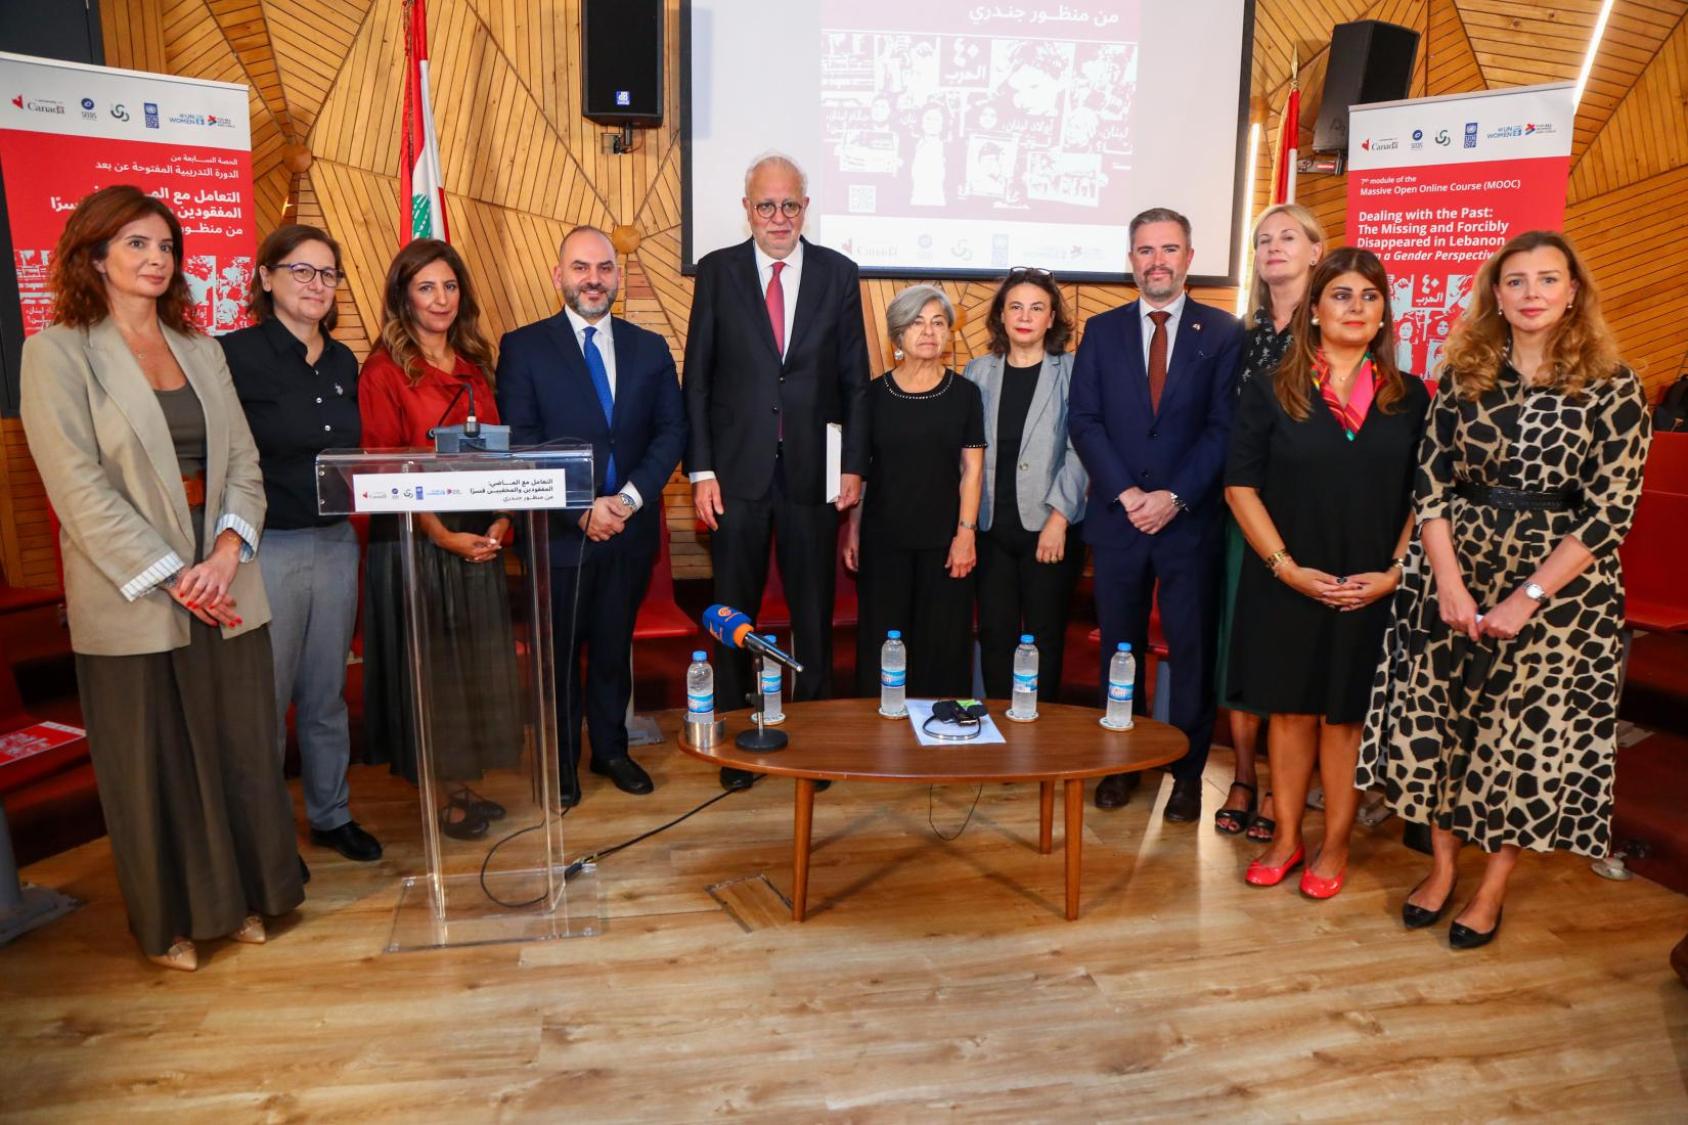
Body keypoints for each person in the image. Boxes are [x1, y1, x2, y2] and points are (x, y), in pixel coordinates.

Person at [20, 185, 302, 971]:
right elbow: (75, 486)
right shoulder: (58, 351)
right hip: (134, 590)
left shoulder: (201, 347)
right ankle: (170, 920)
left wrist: (222, 556)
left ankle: (250, 897)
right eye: (137, 244)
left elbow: (242, 461)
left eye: (166, 246)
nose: (156, 259)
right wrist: (174, 573)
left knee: (238, 745)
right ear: (94, 254)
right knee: (153, 763)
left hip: (225, 577)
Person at [1359, 231, 1652, 948]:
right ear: (1496, 292)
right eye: (1516, 281)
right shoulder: (1463, 374)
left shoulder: (1613, 385)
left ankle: (1491, 889)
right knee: (1442, 726)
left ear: (1572, 291)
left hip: (1560, 594)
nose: (1531, 294)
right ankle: (1441, 867)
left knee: (1518, 742)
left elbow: (1610, 510)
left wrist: (1527, 598)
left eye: (1547, 280)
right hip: (1452, 569)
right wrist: (1451, 586)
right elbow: (1428, 485)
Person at [1224, 248, 1428, 897]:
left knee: (1345, 718)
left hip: (1368, 587)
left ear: (1382, 316)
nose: (1355, 308)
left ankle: (1334, 846)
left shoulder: (1411, 395)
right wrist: (1286, 568)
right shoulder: (1269, 389)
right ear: (1314, 309)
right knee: (1289, 713)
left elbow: (1427, 497)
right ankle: (1286, 837)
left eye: (1369, 298)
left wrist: (1396, 571)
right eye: (1341, 295)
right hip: (1285, 579)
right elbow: (1239, 487)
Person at [684, 152, 871, 791]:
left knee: (813, 614)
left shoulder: (838, 275)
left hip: (814, 477)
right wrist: (701, 470)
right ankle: (738, 746)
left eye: (790, 204)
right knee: (732, 614)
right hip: (734, 476)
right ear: (747, 209)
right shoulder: (716, 273)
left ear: (805, 207)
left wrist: (853, 468)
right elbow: (698, 381)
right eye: (766, 205)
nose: (779, 216)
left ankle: (813, 741)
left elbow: (855, 383)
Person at [496, 227, 686, 806]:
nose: (593, 279)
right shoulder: (524, 347)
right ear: (559, 277)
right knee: (556, 658)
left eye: (604, 268)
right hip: (558, 534)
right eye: (581, 267)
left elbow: (671, 432)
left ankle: (610, 750)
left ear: (617, 278)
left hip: (627, 532)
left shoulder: (649, 347)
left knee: (611, 649)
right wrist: (580, 509)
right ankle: (559, 765)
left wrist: (625, 501)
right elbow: (522, 442)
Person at [1068, 206, 1245, 820]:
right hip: (1118, 521)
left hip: (1188, 523)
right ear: (1131, 260)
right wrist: (1125, 494)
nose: (1157, 261)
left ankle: (1189, 775)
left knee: (1191, 651)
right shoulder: (1103, 330)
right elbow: (1084, 422)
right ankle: (1122, 765)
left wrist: (1173, 497)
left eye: (1169, 249)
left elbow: (1225, 429)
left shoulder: (1223, 333)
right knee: (1120, 649)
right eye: (1145, 250)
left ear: (1190, 258)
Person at [220, 224, 380, 864]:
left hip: (337, 544)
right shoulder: (231, 356)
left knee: (325, 694)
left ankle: (330, 814)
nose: (317, 285)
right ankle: (258, 835)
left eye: (328, 274)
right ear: (265, 278)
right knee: (266, 699)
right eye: (301, 271)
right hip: (266, 550)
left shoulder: (344, 361)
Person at [359, 239, 522, 837]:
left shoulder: (477, 362)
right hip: (417, 541)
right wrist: (442, 534)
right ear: (403, 294)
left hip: (479, 534)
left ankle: (464, 783)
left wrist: (504, 517)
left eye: (450, 286)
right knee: (435, 671)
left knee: (469, 667)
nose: (441, 298)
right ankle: (444, 794)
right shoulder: (382, 370)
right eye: (426, 287)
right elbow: (382, 467)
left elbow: (502, 449)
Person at [1215, 204, 1325, 839]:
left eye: (1288, 237)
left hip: (1313, 511)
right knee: (1244, 639)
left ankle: (1292, 785)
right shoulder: (1242, 334)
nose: (1273, 247)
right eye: (1262, 240)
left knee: (1296, 649)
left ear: (1316, 251)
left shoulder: (1337, 326)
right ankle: (1245, 774)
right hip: (1244, 508)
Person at [844, 286, 984, 698]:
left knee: (942, 644)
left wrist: (966, 533)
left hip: (945, 542)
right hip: (883, 538)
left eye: (938, 323)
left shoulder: (964, 394)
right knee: (883, 642)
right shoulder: (871, 396)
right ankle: (879, 733)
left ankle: (940, 737)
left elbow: (972, 471)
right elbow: (861, 472)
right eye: (916, 322)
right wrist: (852, 529)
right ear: (896, 336)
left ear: (949, 335)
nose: (928, 332)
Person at [961, 268, 1087, 702]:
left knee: (1044, 635)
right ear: (1001, 315)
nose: (1025, 316)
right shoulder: (978, 371)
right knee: (995, 634)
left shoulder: (1072, 371)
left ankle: (1039, 732)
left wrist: (1059, 517)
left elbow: (1081, 450)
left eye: (1037, 308)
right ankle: (999, 726)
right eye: (1015, 306)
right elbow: (966, 455)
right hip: (992, 527)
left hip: (1050, 527)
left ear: (1052, 318)